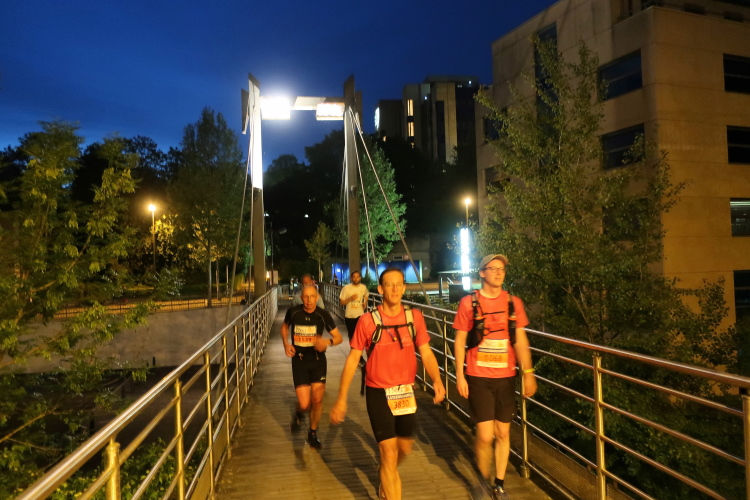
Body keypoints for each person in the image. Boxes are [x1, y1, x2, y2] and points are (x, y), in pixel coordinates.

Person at [331, 267, 446, 500]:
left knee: (403, 448)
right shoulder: (367, 321)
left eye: (398, 284)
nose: (394, 289)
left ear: (404, 288)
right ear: (381, 289)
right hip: (378, 392)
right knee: (388, 453)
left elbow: (426, 352)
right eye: (389, 285)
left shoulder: (415, 318)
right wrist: (341, 399)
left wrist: (437, 380)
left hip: (405, 392)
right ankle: (388, 478)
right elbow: (353, 360)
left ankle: (385, 470)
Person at [453, 254, 537, 500]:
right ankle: (482, 480)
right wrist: (459, 375)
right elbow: (459, 340)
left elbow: (520, 340)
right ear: (482, 273)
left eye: (502, 269)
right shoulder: (469, 303)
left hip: (506, 376)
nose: (499, 272)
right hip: (478, 375)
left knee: (502, 433)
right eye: (493, 268)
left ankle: (499, 485)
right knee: (484, 435)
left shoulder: (513, 303)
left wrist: (528, 373)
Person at [282, 284, 343, 449]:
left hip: (317, 361)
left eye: (312, 297)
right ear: (301, 298)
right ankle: (299, 414)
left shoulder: (323, 315)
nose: (309, 300)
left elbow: (339, 338)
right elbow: (284, 327)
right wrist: (286, 344)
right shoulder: (294, 312)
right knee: (304, 404)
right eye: (306, 297)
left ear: (317, 298)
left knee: (317, 400)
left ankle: (313, 432)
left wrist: (327, 342)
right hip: (299, 361)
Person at [339, 270, 369, 339]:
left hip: (360, 315)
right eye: (354, 277)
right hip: (350, 316)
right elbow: (341, 303)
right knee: (352, 336)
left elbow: (366, 295)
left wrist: (365, 302)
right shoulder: (346, 288)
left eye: (358, 277)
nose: (356, 279)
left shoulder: (363, 287)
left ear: (360, 278)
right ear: (351, 278)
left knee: (360, 336)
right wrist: (350, 299)